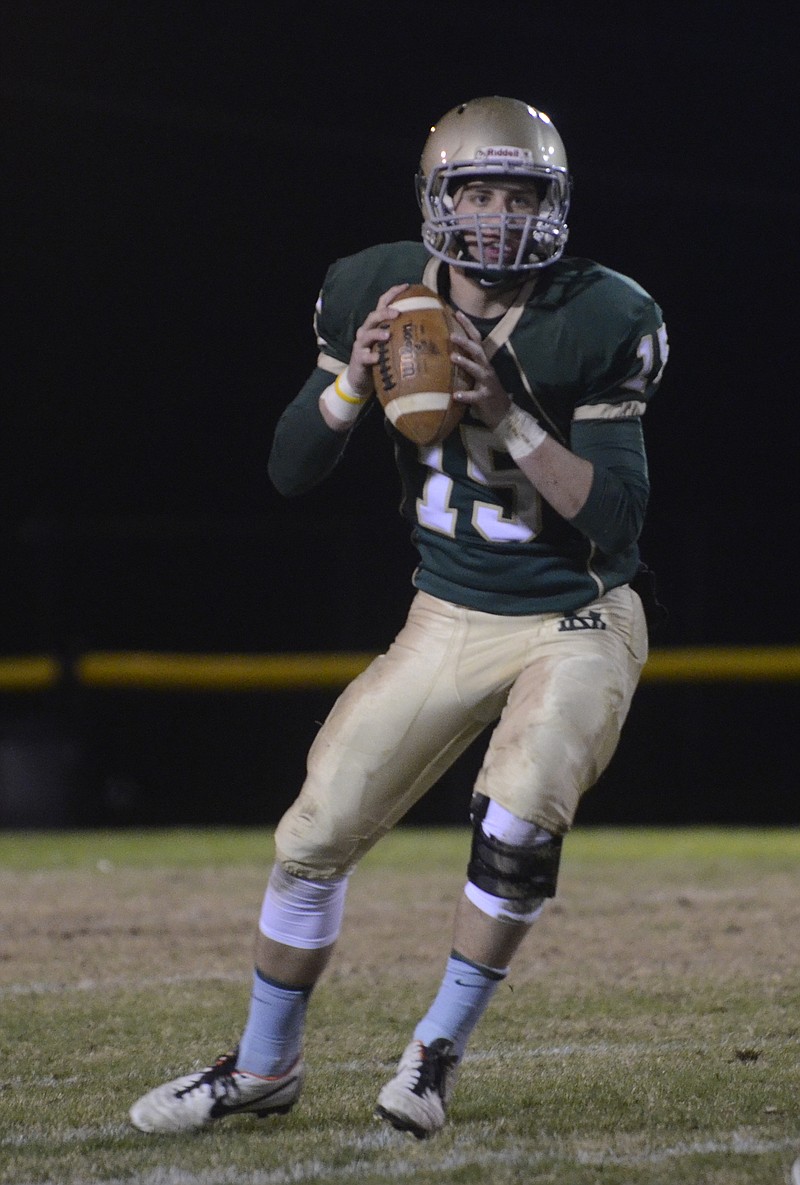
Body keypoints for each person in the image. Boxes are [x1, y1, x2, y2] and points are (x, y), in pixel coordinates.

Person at [130, 95, 669, 1139]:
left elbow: (612, 524)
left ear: (553, 205)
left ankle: (433, 1052)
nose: (498, 215)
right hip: (445, 611)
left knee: (515, 815)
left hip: (576, 614)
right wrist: (348, 384)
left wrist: (501, 411)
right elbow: (290, 471)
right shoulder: (369, 288)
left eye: (520, 193)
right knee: (313, 834)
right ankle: (261, 1067)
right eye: (476, 190)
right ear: (438, 198)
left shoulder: (603, 315)